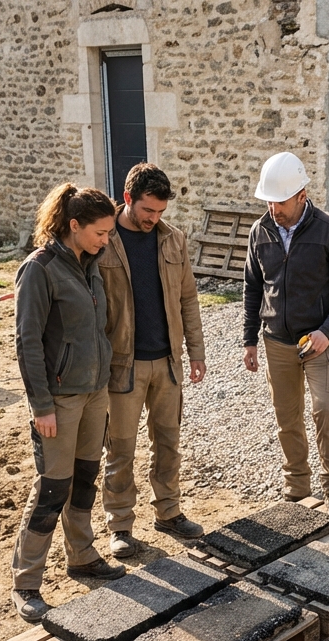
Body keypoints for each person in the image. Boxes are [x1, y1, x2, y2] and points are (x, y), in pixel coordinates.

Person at [11, 182, 124, 623]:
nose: (106, 240)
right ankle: (26, 582)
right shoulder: (39, 269)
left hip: (94, 392)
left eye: (109, 233)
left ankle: (82, 556)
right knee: (52, 488)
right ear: (74, 225)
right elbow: (27, 342)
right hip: (59, 400)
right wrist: (41, 406)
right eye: (100, 233)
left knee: (84, 478)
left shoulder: (89, 265)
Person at [242, 151, 329, 519]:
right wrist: (249, 340)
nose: (273, 209)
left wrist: (328, 331)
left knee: (326, 411)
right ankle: (296, 488)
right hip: (276, 340)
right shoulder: (259, 231)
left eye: (280, 202)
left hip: (319, 340)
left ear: (302, 195)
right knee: (287, 416)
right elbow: (252, 287)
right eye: (269, 201)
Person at [99, 163, 207, 557]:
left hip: (167, 363)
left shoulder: (174, 240)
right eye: (148, 210)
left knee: (168, 443)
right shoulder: (103, 240)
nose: (154, 218)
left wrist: (196, 352)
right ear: (127, 198)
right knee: (120, 449)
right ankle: (120, 526)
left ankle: (169, 512)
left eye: (161, 211)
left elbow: (188, 299)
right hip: (121, 367)